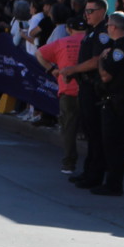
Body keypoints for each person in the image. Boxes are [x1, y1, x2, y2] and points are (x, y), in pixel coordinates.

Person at [60, 0, 112, 187]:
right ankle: (89, 170)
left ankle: (95, 174)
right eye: (86, 11)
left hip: (94, 88)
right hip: (85, 85)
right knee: (90, 132)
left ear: (101, 12)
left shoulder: (102, 33)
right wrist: (74, 73)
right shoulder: (92, 31)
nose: (86, 15)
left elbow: (97, 60)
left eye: (90, 11)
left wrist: (73, 70)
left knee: (95, 133)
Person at [92, 12, 124, 195]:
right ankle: (110, 182)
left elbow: (106, 75)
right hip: (114, 99)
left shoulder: (121, 49)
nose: (107, 28)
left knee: (113, 144)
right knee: (110, 143)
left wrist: (101, 60)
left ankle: (114, 185)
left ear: (114, 27)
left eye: (109, 25)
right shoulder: (119, 46)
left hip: (117, 100)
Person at [37, 15, 84, 174]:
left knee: (68, 128)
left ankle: (69, 163)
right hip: (89, 91)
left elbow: (39, 53)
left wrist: (52, 70)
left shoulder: (62, 43)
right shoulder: (91, 41)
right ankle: (97, 164)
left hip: (68, 89)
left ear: (69, 29)